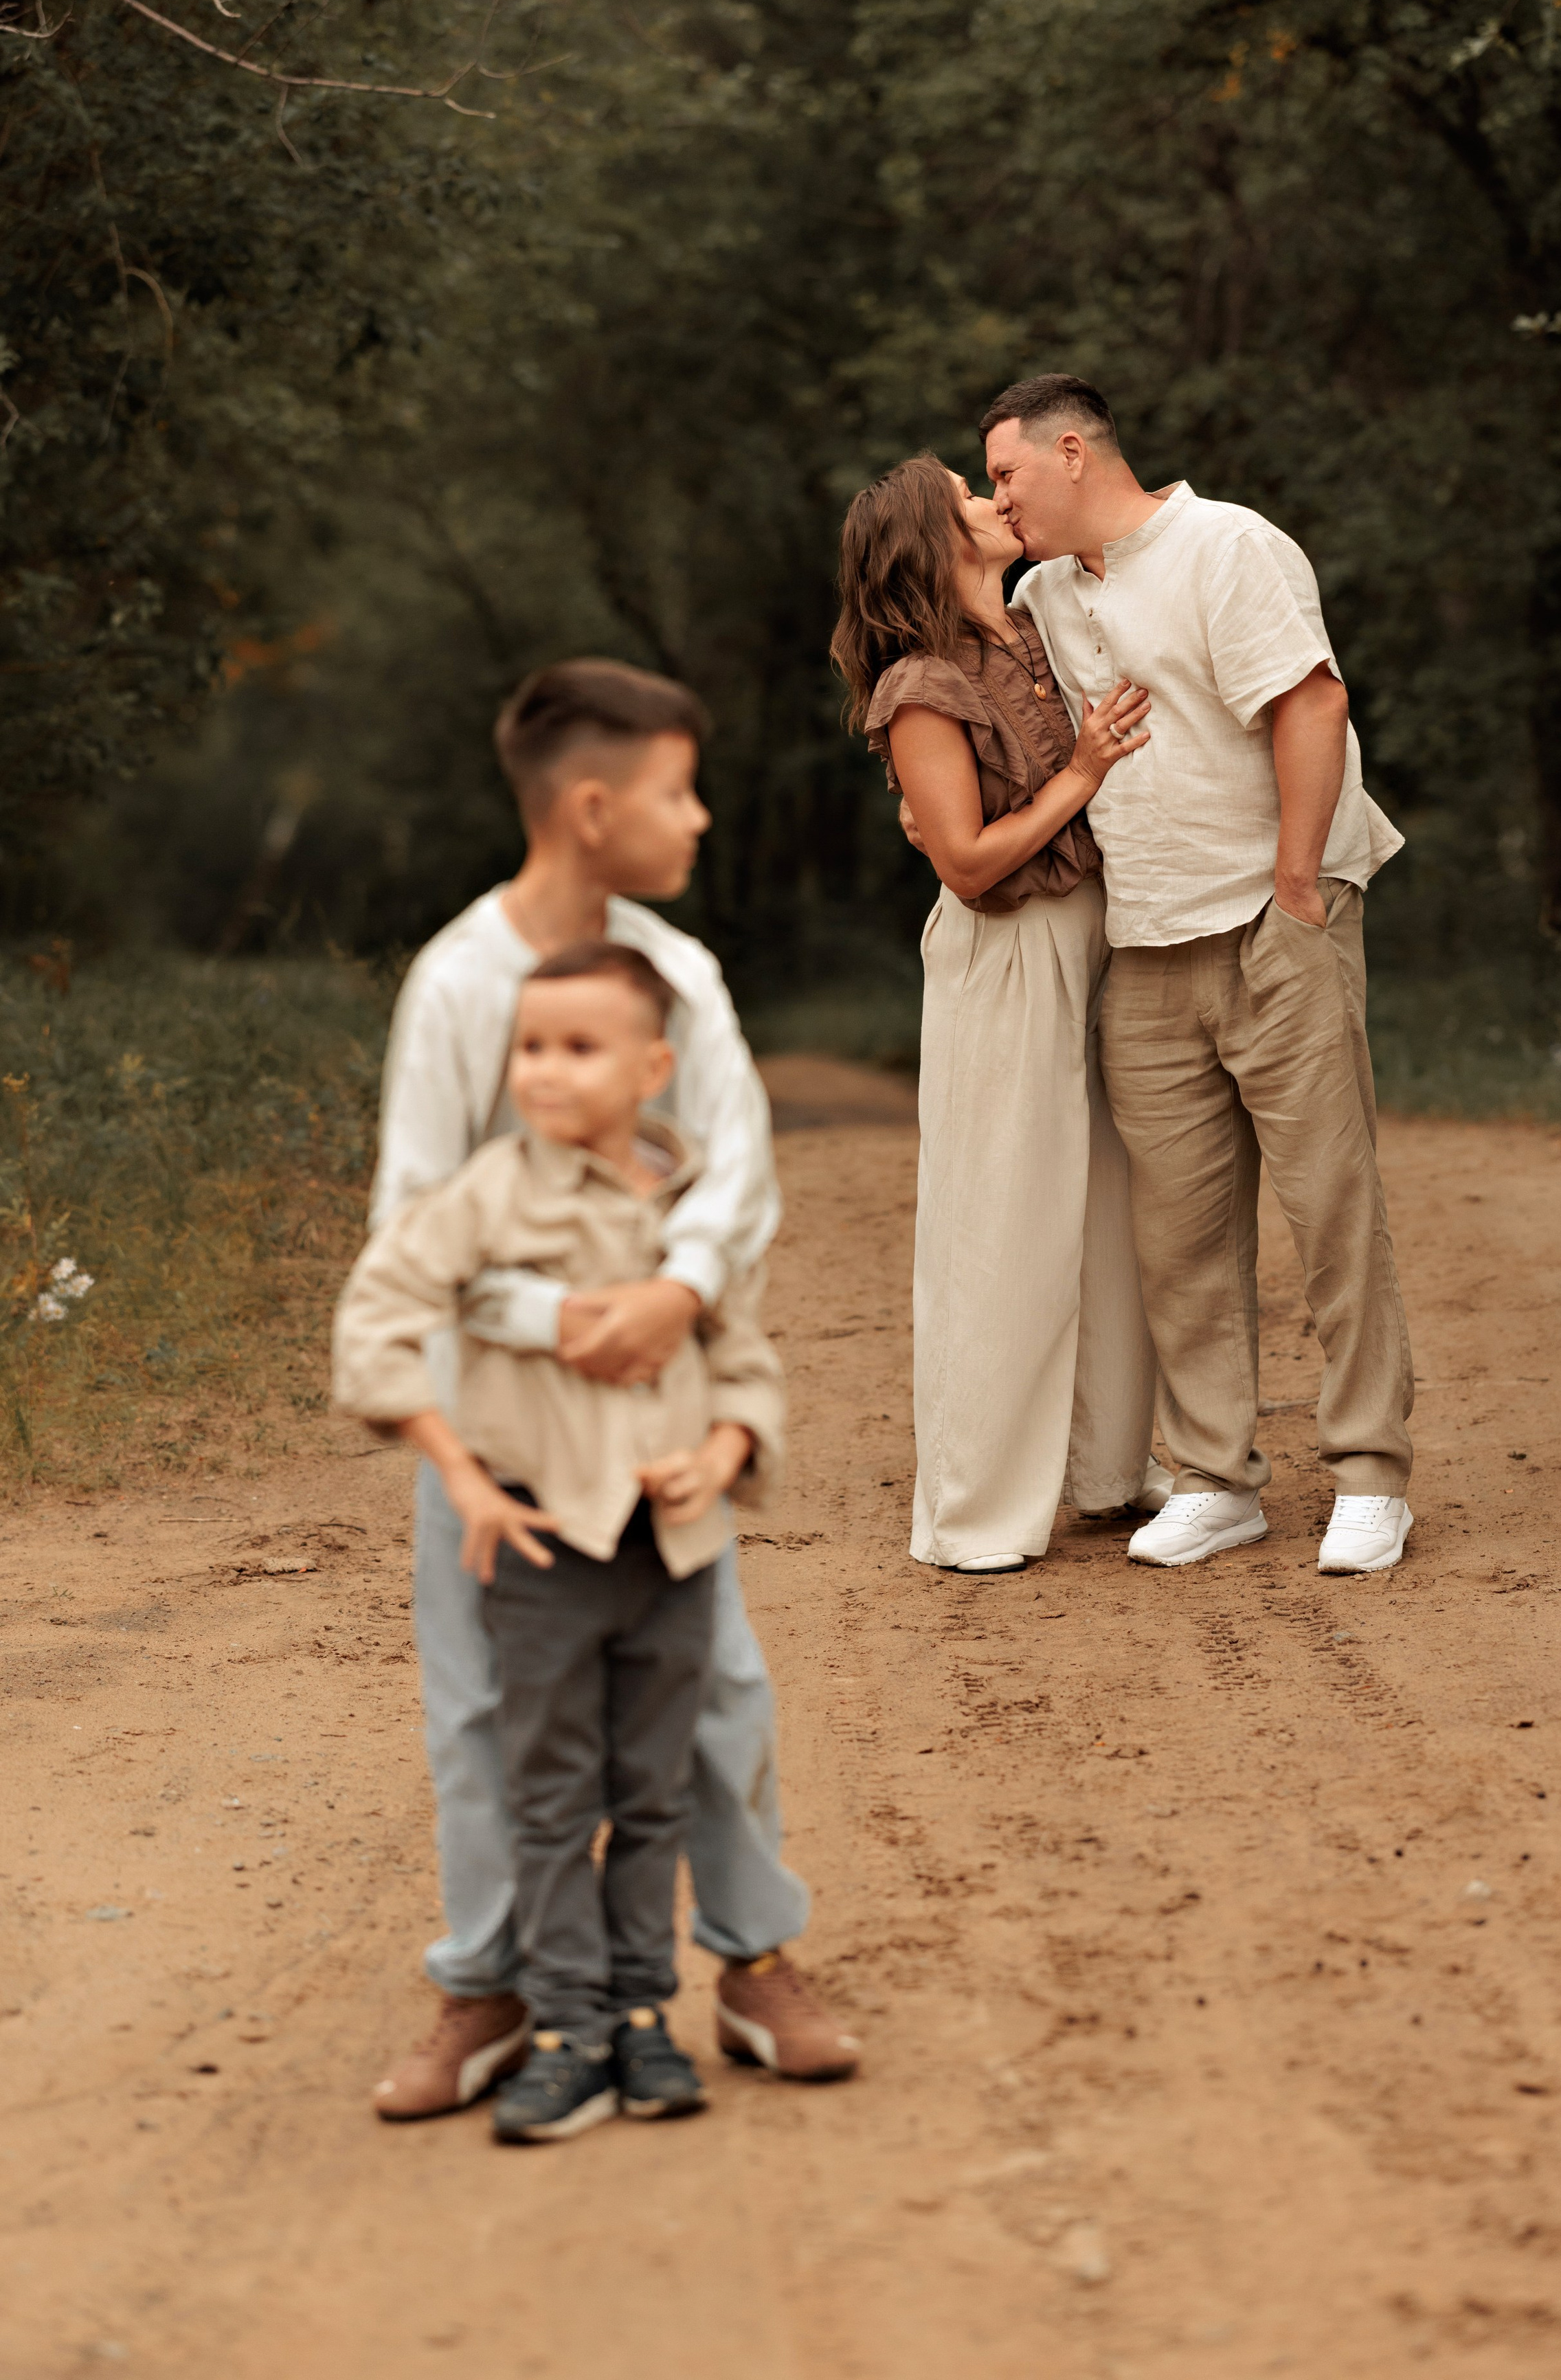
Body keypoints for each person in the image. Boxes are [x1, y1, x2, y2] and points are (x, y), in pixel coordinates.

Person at [368, 659, 857, 2122]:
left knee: (713, 1683)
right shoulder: (461, 982)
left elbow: (736, 1168)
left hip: (656, 1408)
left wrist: (674, 1294)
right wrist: (553, 1314)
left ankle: (752, 1957)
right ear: (591, 808)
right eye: (675, 791)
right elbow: (413, 1219)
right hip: (506, 1417)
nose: (697, 818)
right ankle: (492, 1981)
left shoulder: (677, 977)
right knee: (483, 1702)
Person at [335, 941, 789, 2141]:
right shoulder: (488, 1194)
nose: (543, 1070)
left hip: (671, 1550)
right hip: (543, 1548)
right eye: (529, 1046)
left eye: (579, 1048)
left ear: (652, 1069)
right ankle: (566, 2031)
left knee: (650, 1791)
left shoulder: (690, 1206)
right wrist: (461, 1475)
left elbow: (742, 1356)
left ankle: (643, 2017)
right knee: (547, 1795)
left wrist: (722, 1455)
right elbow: (378, 1316)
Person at [980, 374, 1416, 1575]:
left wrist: (1296, 890)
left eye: (1008, 474)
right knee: (1179, 1238)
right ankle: (1218, 1477)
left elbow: (1313, 703)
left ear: (1074, 451)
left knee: (1331, 1208)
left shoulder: (1226, 544)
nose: (999, 499)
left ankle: (1370, 1473)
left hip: (1275, 919)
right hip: (1147, 940)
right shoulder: (1040, 595)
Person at [832, 455, 1176, 1573]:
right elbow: (970, 863)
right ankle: (974, 1511)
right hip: (1008, 952)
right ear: (936, 541)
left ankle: (1111, 1469)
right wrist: (1080, 773)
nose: (995, 504)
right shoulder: (920, 687)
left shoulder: (1035, 627)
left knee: (1110, 1213)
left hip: (1095, 939)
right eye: (970, 497)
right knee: (1001, 1224)